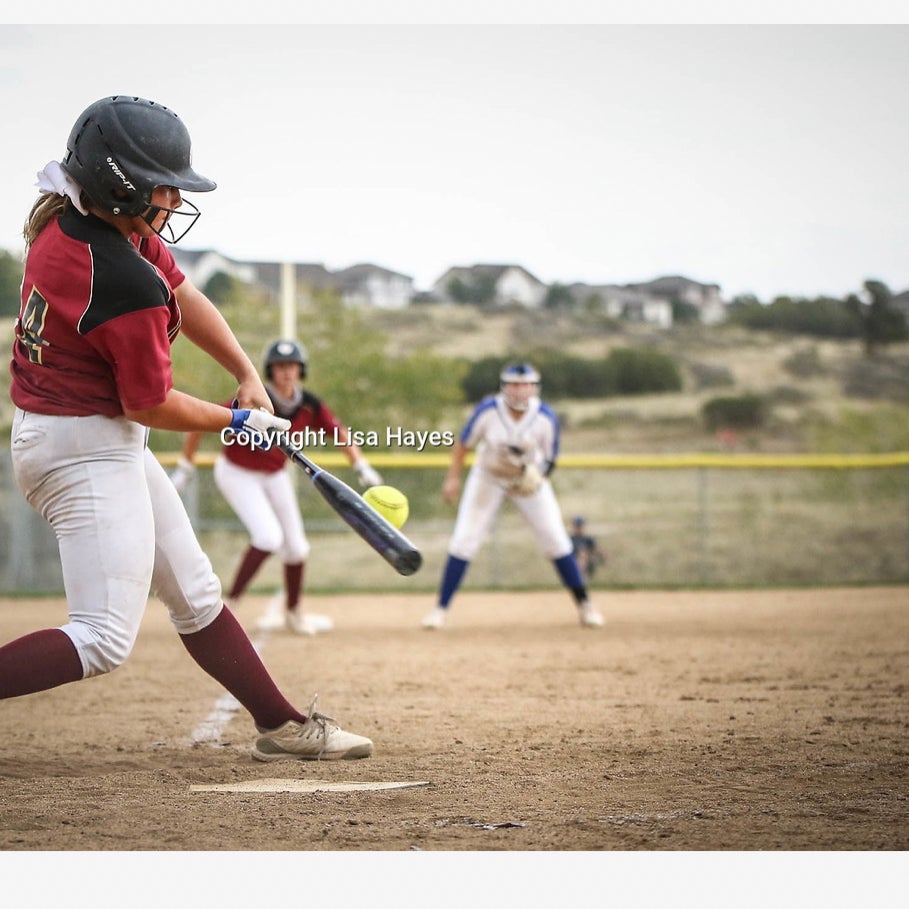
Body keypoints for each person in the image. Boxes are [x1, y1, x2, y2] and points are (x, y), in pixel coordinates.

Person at [2, 94, 372, 761]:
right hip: (82, 446)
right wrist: (236, 419)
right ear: (121, 185)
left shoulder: (80, 222)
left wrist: (243, 371)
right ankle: (283, 722)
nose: (173, 200)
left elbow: (185, 294)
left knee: (195, 590)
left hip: (80, 434)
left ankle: (282, 724)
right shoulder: (117, 275)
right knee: (100, 636)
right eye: (162, 187)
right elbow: (150, 402)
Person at [171, 338, 382, 634]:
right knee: (268, 538)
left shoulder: (308, 404)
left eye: (292, 366)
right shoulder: (254, 397)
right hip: (237, 472)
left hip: (274, 474)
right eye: (280, 366)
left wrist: (361, 465)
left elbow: (338, 432)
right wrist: (185, 466)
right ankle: (228, 608)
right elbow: (198, 422)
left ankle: (294, 615)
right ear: (270, 371)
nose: (286, 372)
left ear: (300, 370)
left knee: (297, 548)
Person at [421, 362, 605, 630]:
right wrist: (452, 478)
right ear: (504, 387)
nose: (520, 391)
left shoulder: (545, 417)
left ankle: (585, 605)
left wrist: (538, 477)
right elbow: (463, 444)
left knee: (556, 540)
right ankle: (440, 610)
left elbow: (551, 459)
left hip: (526, 481)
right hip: (488, 477)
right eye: (514, 385)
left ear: (535, 388)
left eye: (526, 385)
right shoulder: (488, 411)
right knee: (464, 540)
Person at [569, 515, 606, 582]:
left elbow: (597, 550)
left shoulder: (588, 539)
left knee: (583, 555)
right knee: (581, 556)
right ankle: (580, 578)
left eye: (580, 526)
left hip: (587, 561)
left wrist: (602, 558)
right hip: (573, 561)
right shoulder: (570, 539)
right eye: (577, 526)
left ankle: (584, 578)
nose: (579, 528)